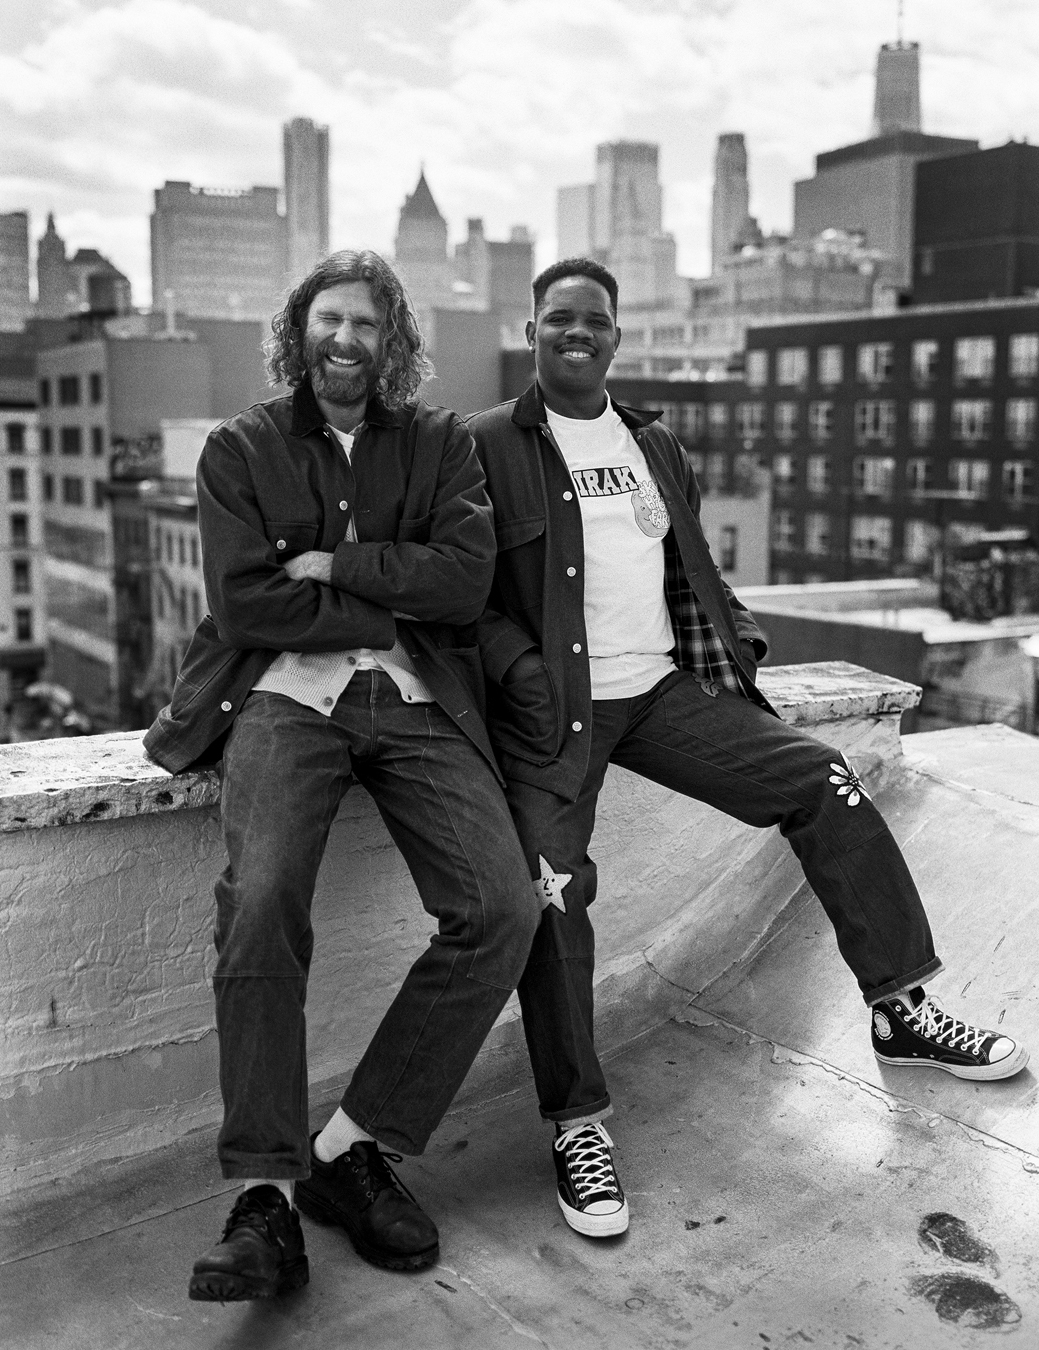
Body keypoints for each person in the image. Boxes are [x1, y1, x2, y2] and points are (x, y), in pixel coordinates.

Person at [466, 256, 1029, 1241]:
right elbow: (459, 592)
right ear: (532, 332)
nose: (575, 334)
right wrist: (519, 672)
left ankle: (899, 1008)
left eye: (593, 320)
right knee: (554, 886)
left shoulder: (652, 443)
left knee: (824, 781)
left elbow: (694, 565)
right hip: (554, 714)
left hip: (663, 694)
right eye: (557, 319)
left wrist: (738, 638)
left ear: (615, 337)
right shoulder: (481, 447)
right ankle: (577, 1123)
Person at [144, 249, 538, 1302]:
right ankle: (265, 1197)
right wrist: (384, 601)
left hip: (414, 698)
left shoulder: (442, 443)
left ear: (392, 341)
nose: (344, 341)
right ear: (297, 332)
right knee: (262, 899)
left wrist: (336, 564)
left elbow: (465, 582)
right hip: (279, 696)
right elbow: (245, 609)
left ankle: (351, 1152)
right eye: (327, 321)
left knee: (502, 906)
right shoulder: (241, 448)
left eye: (366, 324)